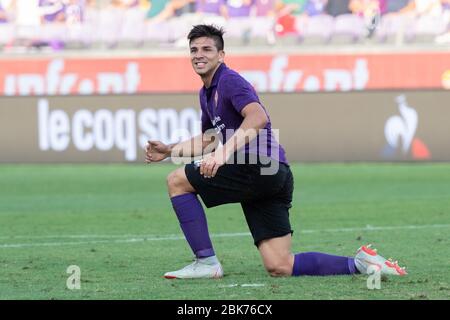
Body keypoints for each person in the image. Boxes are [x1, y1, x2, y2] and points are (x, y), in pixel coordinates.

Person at [145, 24, 407, 279]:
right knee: (280, 265)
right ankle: (362, 264)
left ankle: (205, 262)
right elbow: (208, 139)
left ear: (221, 55)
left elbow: (258, 117)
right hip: (274, 174)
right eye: (193, 50)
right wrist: (170, 150)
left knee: (177, 181)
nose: (199, 54)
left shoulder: (229, 81)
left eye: (206, 49)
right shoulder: (206, 93)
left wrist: (222, 154)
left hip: (256, 165)